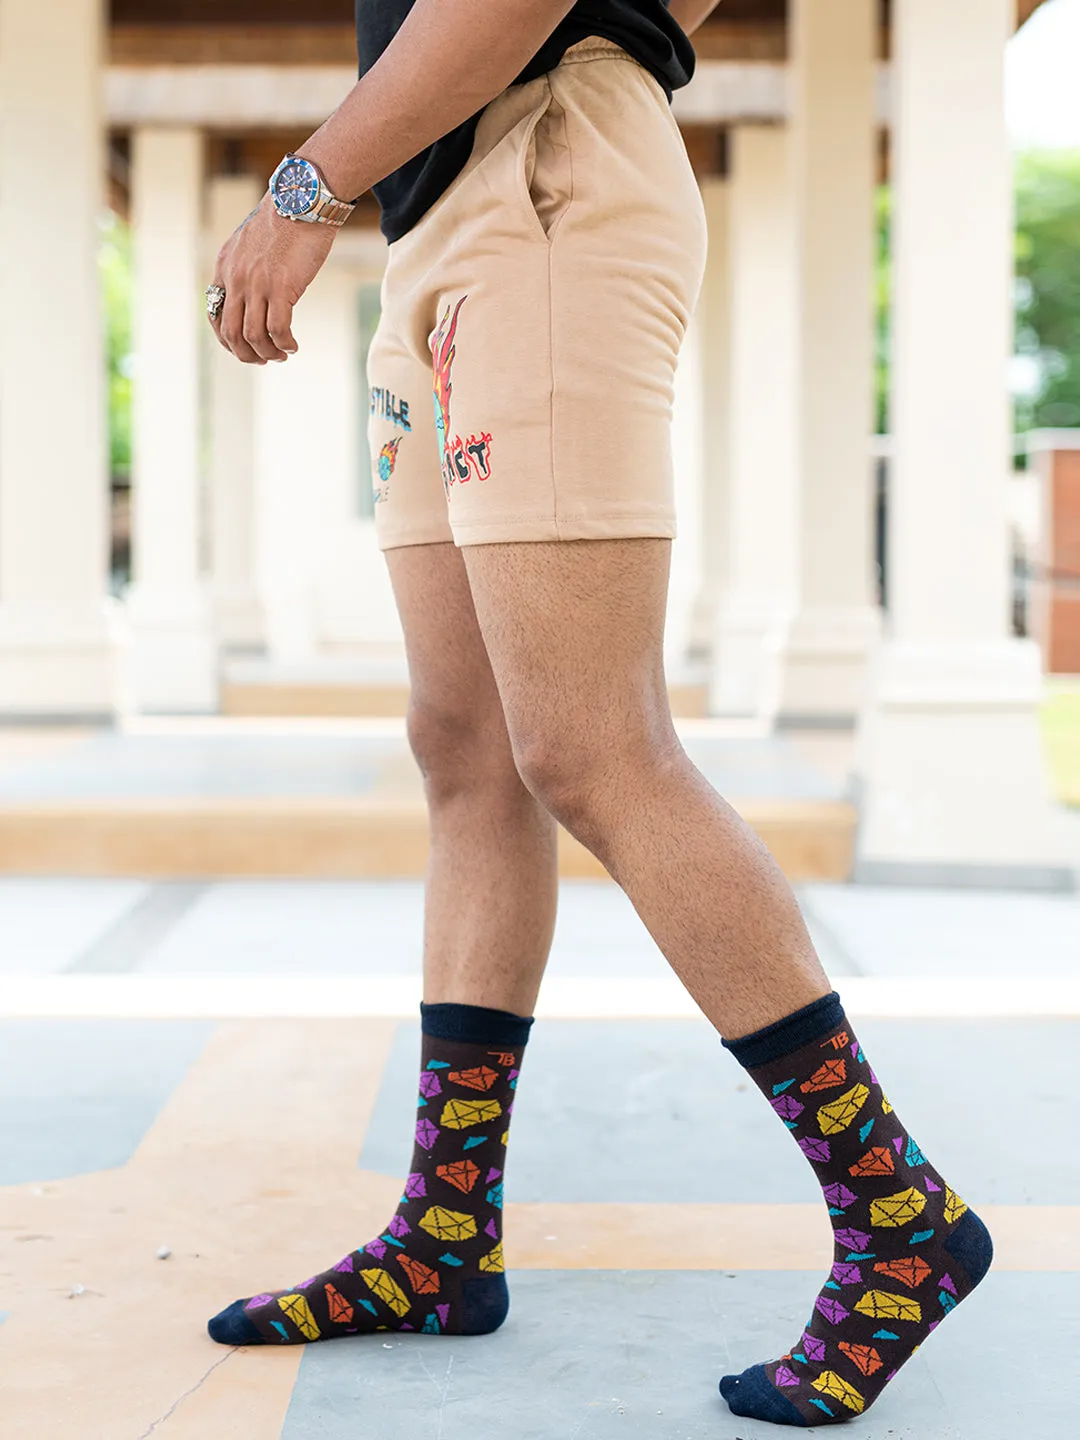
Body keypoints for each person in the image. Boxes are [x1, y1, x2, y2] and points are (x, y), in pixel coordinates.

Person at [204, 0, 992, 1425]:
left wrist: (305, 185)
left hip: (544, 173)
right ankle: (446, 1235)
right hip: (453, 202)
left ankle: (901, 1219)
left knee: (593, 746)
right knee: (468, 748)